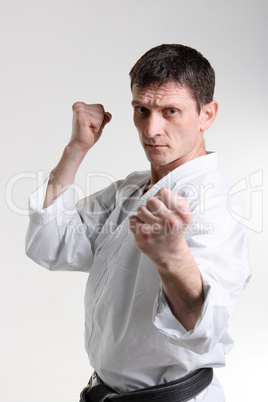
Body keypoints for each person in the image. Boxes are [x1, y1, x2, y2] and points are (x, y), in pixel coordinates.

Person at [26, 44, 251, 401]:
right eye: (141, 110)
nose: (151, 129)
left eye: (170, 112)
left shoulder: (214, 203)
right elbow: (53, 245)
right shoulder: (131, 188)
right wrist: (76, 150)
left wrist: (172, 258)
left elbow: (205, 327)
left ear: (207, 115)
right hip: (105, 390)